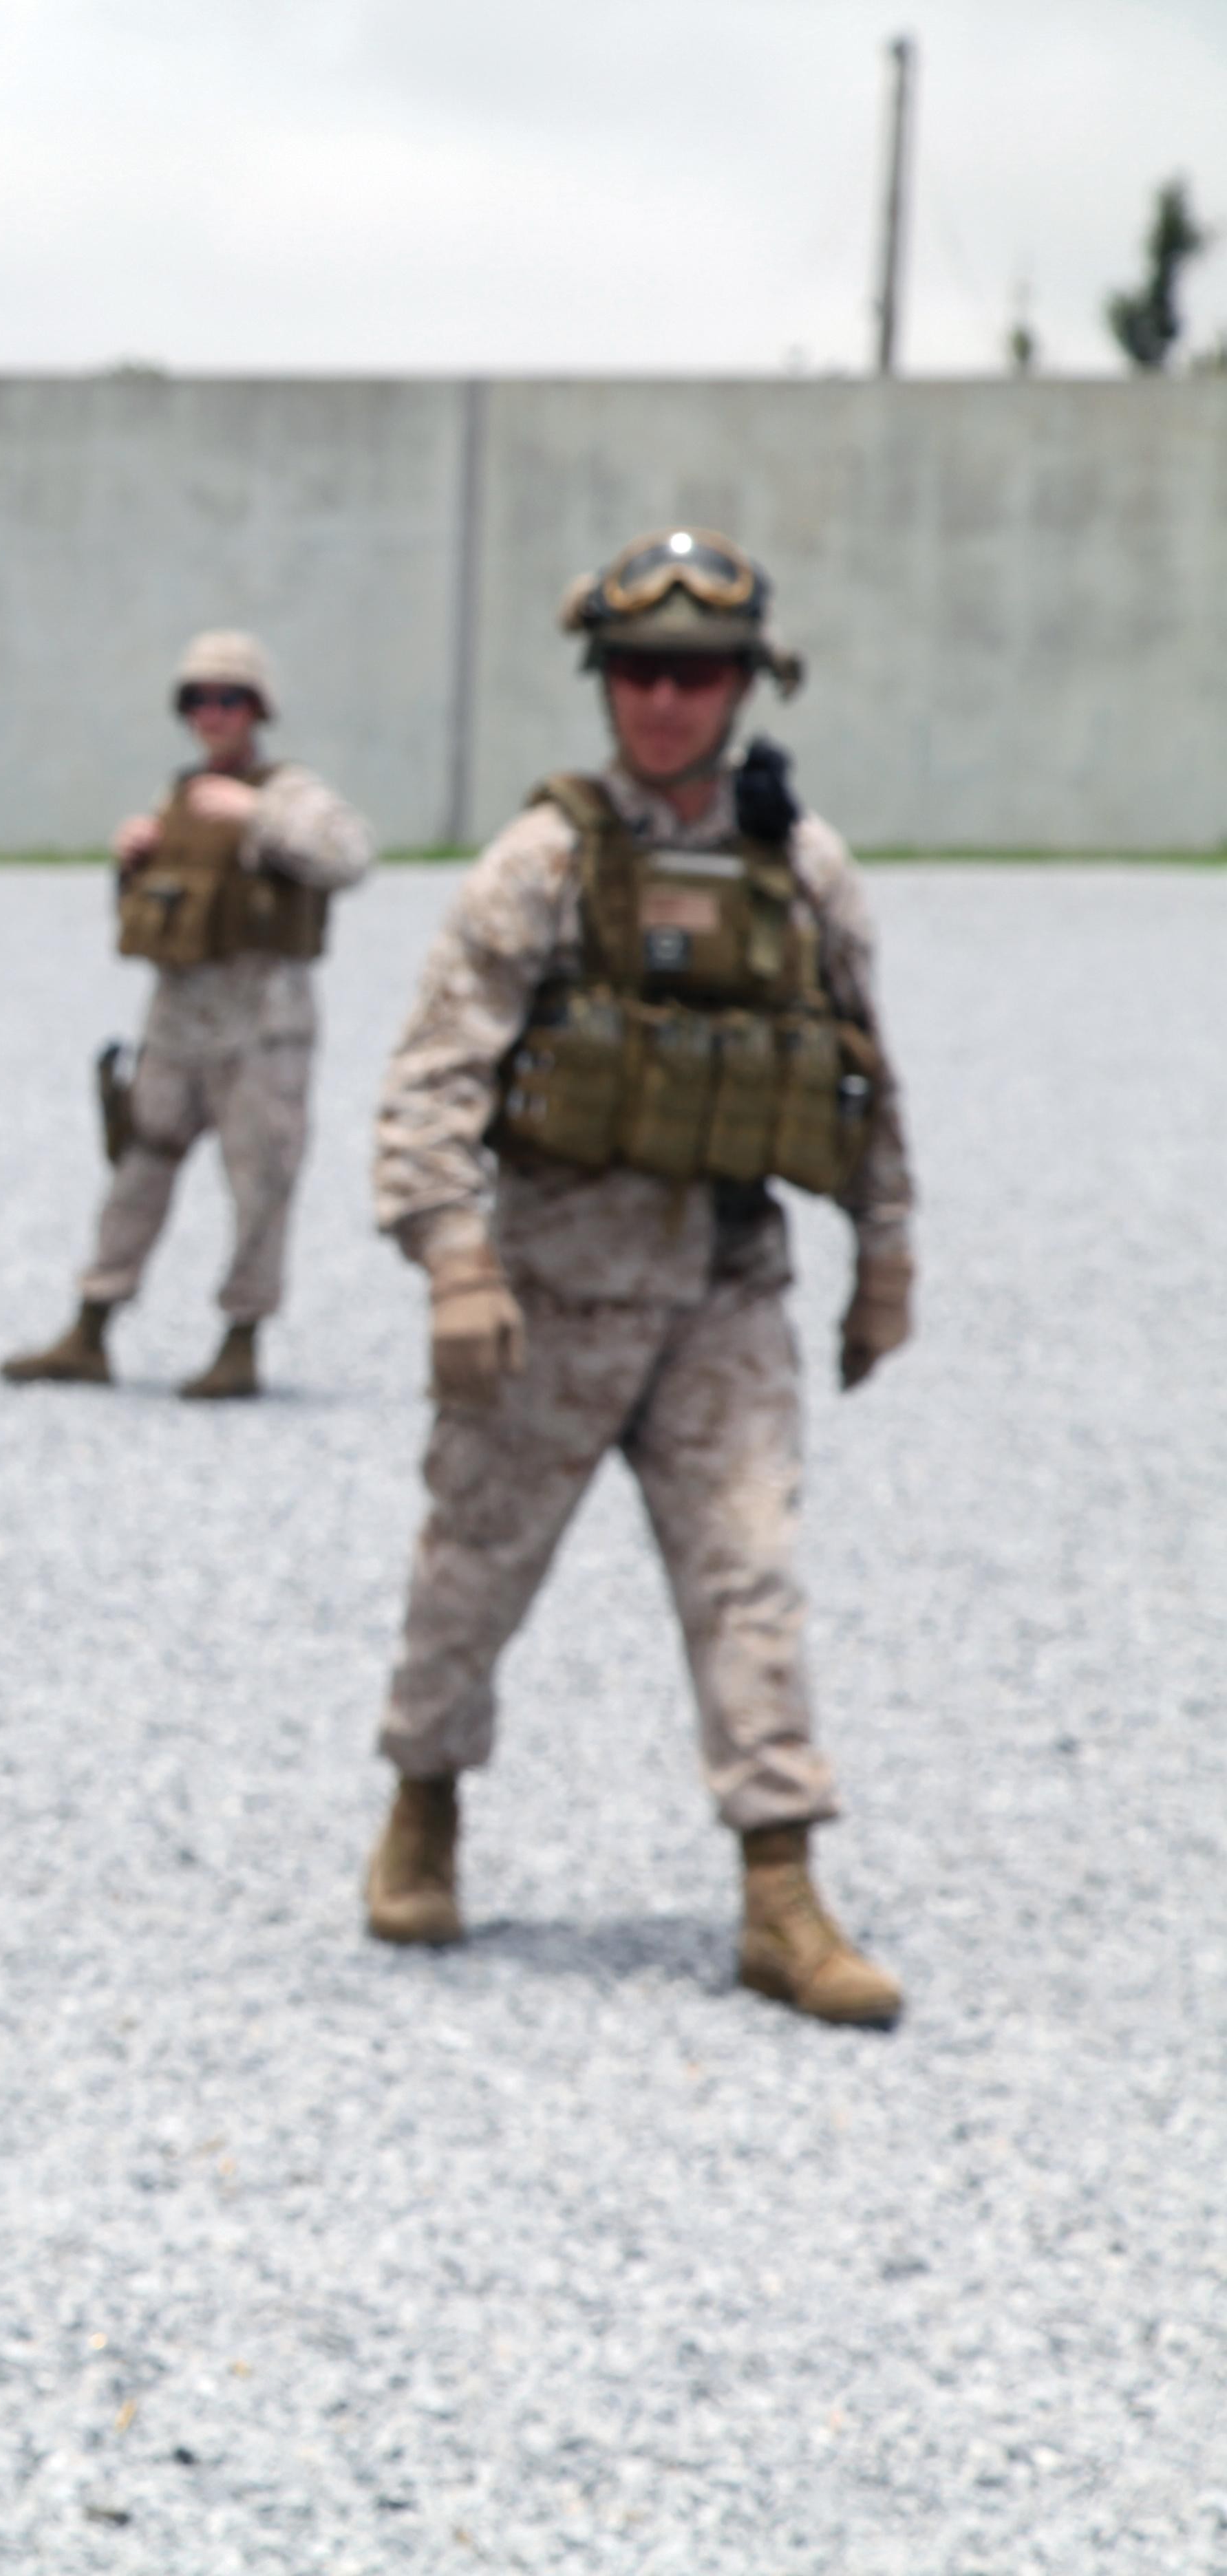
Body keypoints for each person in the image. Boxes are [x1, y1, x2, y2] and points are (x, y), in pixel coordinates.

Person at [362, 530, 914, 2026]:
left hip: (724, 1294)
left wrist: (888, 1258)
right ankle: (423, 1806)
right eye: (641, 675)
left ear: (746, 686)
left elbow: (861, 1074)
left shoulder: (797, 866)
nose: (666, 703)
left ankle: (781, 1891)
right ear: (606, 686)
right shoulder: (541, 863)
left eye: (699, 675)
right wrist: (454, 1260)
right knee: (473, 1567)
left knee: (754, 1576)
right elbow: (432, 1076)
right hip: (545, 1297)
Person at [1, 630, 375, 1399]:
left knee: (261, 1184)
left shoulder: (289, 793)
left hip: (262, 1025)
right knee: (136, 1169)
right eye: (199, 701)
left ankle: (241, 1339)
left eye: (229, 700)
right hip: (178, 1020)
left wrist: (258, 814)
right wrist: (133, 856)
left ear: (257, 708)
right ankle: (92, 1323)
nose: (213, 715)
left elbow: (349, 856)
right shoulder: (177, 797)